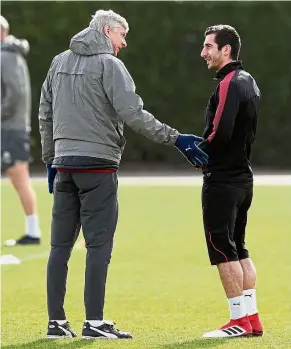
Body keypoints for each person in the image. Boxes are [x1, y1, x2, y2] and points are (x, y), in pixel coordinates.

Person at [39, 9, 208, 339]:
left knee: (59, 246)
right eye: (121, 35)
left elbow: (45, 112)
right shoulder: (109, 65)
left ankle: (56, 324)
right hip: (98, 166)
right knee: (98, 246)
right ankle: (95, 323)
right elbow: (133, 112)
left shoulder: (58, 62)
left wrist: (50, 159)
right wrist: (175, 138)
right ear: (106, 31)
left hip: (65, 166)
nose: (124, 43)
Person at [198, 24, 263, 338]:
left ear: (226, 50)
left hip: (222, 181)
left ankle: (237, 320)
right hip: (243, 179)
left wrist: (200, 154)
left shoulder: (229, 82)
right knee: (239, 249)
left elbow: (220, 132)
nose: (203, 53)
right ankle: (251, 318)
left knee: (223, 250)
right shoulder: (250, 81)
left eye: (209, 46)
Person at [1, 15, 41, 246]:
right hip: (9, 127)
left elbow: (15, 93)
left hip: (10, 129)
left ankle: (33, 233)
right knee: (18, 179)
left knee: (19, 178)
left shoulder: (7, 56)